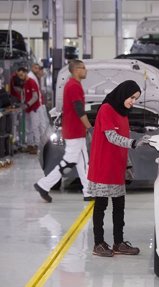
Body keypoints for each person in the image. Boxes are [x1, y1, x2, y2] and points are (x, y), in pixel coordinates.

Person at [87, 80, 148, 257]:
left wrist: (127, 164)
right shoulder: (106, 109)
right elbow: (112, 136)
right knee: (101, 205)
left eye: (135, 99)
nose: (133, 102)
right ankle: (98, 243)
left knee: (119, 207)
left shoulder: (123, 113)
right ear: (123, 93)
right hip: (103, 167)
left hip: (116, 167)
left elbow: (121, 142)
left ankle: (118, 242)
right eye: (131, 97)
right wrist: (134, 143)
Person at [34, 60, 93, 202]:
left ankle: (88, 192)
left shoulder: (73, 85)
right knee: (70, 161)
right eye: (83, 68)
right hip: (74, 131)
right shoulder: (73, 86)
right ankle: (44, 184)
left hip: (75, 130)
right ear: (76, 70)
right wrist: (90, 127)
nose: (86, 70)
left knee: (83, 161)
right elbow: (79, 110)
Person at [16, 67, 43, 154]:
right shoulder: (25, 83)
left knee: (35, 127)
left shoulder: (31, 82)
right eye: (19, 76)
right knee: (28, 128)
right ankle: (30, 145)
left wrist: (27, 104)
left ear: (25, 72)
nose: (21, 77)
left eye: (22, 74)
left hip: (34, 108)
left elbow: (35, 97)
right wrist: (22, 104)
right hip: (27, 109)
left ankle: (37, 146)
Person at [28, 63, 49, 136]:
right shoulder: (31, 78)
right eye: (36, 69)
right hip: (35, 106)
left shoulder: (37, 78)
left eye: (39, 69)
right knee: (37, 125)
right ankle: (37, 143)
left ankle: (40, 142)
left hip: (39, 104)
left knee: (42, 123)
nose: (42, 72)